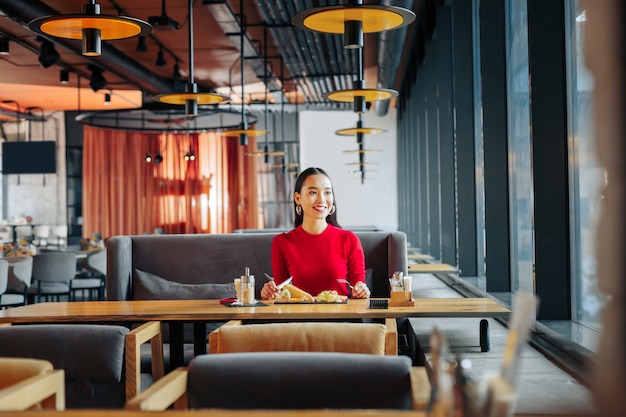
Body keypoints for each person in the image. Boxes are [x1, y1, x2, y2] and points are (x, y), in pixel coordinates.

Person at [261, 167, 371, 300]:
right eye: (313, 192)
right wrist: (270, 293)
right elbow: (283, 294)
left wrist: (362, 291)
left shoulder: (349, 240)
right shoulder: (282, 242)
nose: (321, 199)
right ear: (298, 198)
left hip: (341, 318)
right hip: (298, 319)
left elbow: (358, 290)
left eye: (327, 193)